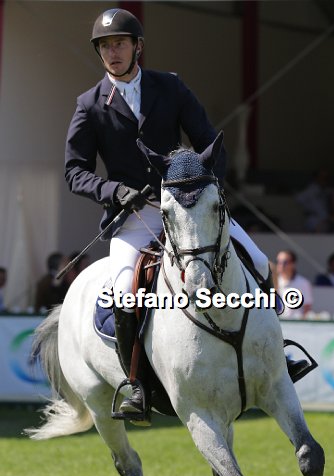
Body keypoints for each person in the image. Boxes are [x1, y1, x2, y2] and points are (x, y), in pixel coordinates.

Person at [65, 8, 308, 425]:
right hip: (135, 217)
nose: (112, 52)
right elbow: (75, 171)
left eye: (119, 43)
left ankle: (277, 354)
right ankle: (136, 383)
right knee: (124, 292)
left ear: (138, 46)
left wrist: (200, 188)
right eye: (105, 46)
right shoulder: (89, 105)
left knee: (259, 262)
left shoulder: (170, 87)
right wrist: (114, 191)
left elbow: (209, 142)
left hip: (188, 207)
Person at [276, 250, 313, 319]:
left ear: (293, 264)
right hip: (277, 322)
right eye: (278, 262)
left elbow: (307, 308)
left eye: (284, 262)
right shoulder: (274, 282)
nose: (281, 265)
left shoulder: (303, 283)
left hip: (296, 323)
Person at [295, 168, 331, 233]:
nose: (323, 179)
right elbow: (298, 199)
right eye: (321, 177)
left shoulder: (325, 190)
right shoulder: (311, 189)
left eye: (326, 177)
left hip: (324, 221)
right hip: (314, 220)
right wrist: (308, 208)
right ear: (316, 177)